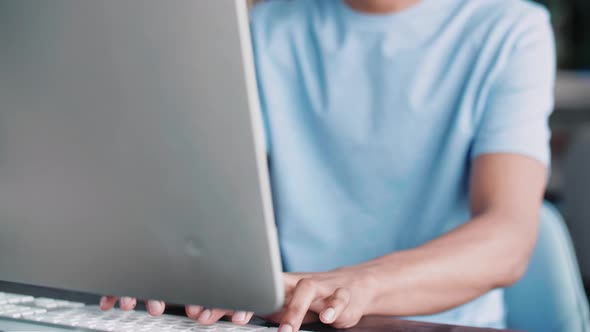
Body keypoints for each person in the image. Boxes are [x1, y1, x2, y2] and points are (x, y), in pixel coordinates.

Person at [100, 0, 556, 330]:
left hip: (435, 324)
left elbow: (508, 240)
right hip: (289, 320)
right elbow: (218, 197)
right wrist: (165, 260)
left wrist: (352, 286)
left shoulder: (512, 30)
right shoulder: (268, 25)